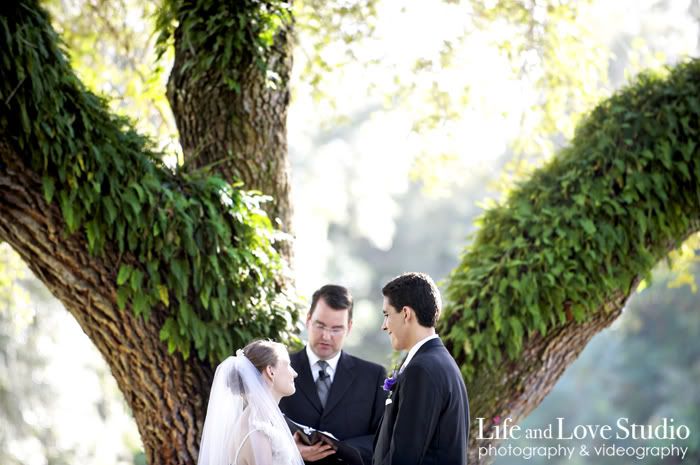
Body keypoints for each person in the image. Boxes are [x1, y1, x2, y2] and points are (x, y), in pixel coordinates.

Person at [279, 284, 387, 465]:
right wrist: (290, 448)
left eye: (336, 329)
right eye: (320, 325)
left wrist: (340, 449)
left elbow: (383, 438)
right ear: (308, 320)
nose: (326, 336)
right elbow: (258, 428)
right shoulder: (278, 369)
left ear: (349, 327)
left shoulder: (373, 376)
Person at [373, 272, 470, 465]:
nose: (384, 326)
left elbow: (404, 458)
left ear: (406, 314)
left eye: (387, 315)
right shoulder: (436, 361)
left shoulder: (422, 370)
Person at [197, 339, 304, 465]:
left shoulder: (259, 421)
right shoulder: (258, 433)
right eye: (287, 365)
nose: (295, 373)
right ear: (271, 371)